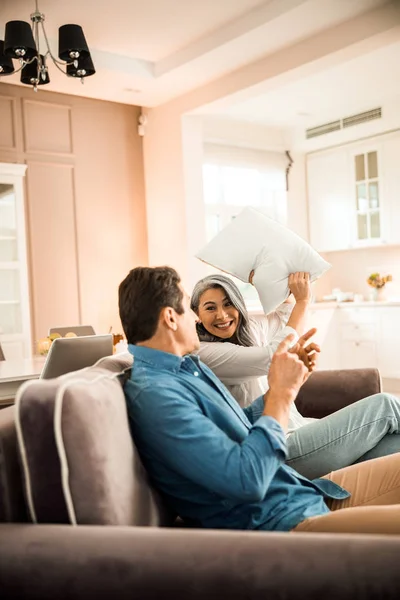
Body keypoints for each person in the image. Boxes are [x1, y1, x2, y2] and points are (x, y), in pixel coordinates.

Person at [119, 265, 400, 535]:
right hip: (285, 521)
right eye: (187, 307)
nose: (194, 320)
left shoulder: (187, 368)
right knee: (385, 405)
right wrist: (281, 394)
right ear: (170, 318)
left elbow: (243, 423)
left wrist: (286, 383)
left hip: (303, 492)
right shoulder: (157, 396)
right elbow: (247, 479)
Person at [190, 273, 400, 479]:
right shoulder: (204, 352)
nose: (222, 315)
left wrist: (266, 280)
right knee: (385, 405)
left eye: (228, 304)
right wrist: (304, 300)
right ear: (197, 315)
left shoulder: (249, 331)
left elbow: (285, 312)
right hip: (277, 450)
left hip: (300, 429)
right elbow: (273, 356)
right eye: (211, 308)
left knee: (393, 446)